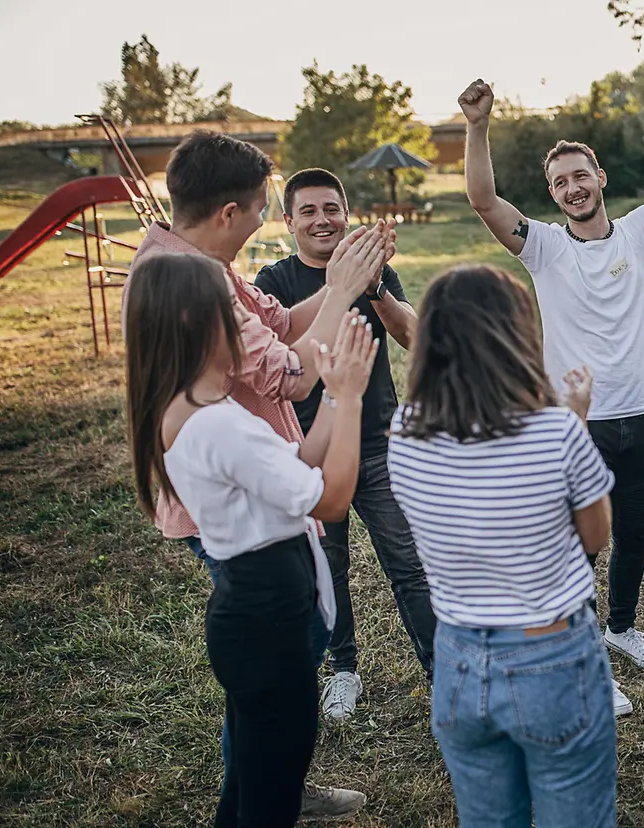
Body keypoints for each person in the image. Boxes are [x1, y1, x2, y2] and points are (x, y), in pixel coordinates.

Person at [123, 131, 375, 820]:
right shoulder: (187, 282)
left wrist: (334, 280)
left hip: (259, 477)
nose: (266, 218)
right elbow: (292, 375)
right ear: (229, 212)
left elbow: (278, 323)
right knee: (287, 652)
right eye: (264, 207)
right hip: (237, 491)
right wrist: (344, 366)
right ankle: (270, 774)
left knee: (283, 657)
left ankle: (270, 769)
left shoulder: (199, 264)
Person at [457, 66, 644, 717]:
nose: (572, 187)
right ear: (553, 193)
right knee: (577, 548)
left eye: (581, 175)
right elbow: (485, 201)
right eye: (560, 181)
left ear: (599, 180)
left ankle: (621, 629)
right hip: (579, 425)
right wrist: (477, 127)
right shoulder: (542, 248)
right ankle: (588, 660)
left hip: (643, 420)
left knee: (634, 533)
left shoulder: (638, 232)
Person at [387, 265, 618, 828]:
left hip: (459, 658)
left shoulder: (404, 430)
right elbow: (595, 535)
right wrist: (577, 419)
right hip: (552, 657)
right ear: (515, 336)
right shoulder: (555, 431)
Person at [255, 168, 437, 722]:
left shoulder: (376, 274)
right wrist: (338, 291)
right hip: (308, 449)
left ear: (347, 214)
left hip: (378, 444)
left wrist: (374, 282)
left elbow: (413, 337)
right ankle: (344, 671)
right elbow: (278, 349)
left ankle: (445, 675)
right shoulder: (274, 280)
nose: (321, 220)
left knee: (409, 565)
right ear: (288, 222)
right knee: (327, 569)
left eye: (331, 208)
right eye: (307, 211)